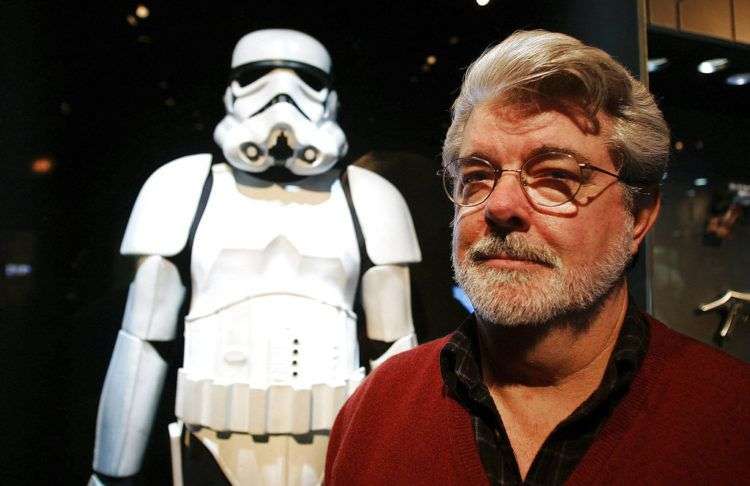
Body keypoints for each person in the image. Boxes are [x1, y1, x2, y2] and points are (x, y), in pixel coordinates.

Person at [325, 30, 750, 485]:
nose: (499, 206)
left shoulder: (731, 420)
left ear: (639, 216)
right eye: (477, 175)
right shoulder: (376, 411)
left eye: (555, 177)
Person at [90, 29, 420, 486]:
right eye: (256, 77)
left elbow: (396, 354)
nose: (281, 95)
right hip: (209, 444)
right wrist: (109, 475)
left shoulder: (369, 198)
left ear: (330, 98)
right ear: (231, 92)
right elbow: (141, 343)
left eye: (305, 79)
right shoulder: (181, 187)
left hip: (330, 446)